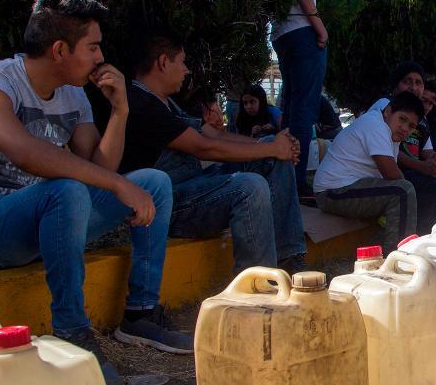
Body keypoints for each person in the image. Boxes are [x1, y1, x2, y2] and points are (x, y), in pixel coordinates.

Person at [0, 0, 193, 385]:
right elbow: (25, 153)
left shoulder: (73, 93)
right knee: (68, 190)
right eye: (92, 47)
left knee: (153, 183)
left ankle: (140, 315)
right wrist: (116, 184)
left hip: (47, 217)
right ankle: (71, 333)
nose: (99, 57)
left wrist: (121, 111)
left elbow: (98, 167)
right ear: (60, 49)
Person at [121, 31, 308, 274]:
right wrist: (272, 148)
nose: (186, 70)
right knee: (248, 187)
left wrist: (274, 145)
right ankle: (258, 284)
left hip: (196, 186)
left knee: (271, 154)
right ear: (163, 62)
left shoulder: (166, 102)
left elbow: (215, 135)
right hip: (170, 204)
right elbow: (204, 147)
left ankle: (289, 258)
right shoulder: (141, 104)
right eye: (182, 62)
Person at [313, 92, 422, 251]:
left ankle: (397, 249)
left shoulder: (390, 131)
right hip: (332, 193)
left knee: (404, 189)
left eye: (411, 126)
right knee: (403, 192)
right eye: (402, 119)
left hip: (346, 189)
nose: (405, 128)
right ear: (388, 112)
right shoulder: (375, 125)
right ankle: (399, 259)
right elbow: (391, 174)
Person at [368, 62, 436, 234]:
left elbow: (427, 153)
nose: (414, 87)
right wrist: (423, 167)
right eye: (407, 81)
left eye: (419, 83)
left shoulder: (420, 116)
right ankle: (419, 231)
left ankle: (435, 227)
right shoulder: (387, 104)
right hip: (386, 172)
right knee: (434, 181)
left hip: (411, 172)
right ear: (396, 85)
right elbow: (388, 153)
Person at [271, 0, 327, 197]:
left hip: (280, 33)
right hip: (302, 30)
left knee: (292, 108)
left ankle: (287, 179)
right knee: (304, 109)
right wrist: (320, 28)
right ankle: (297, 184)